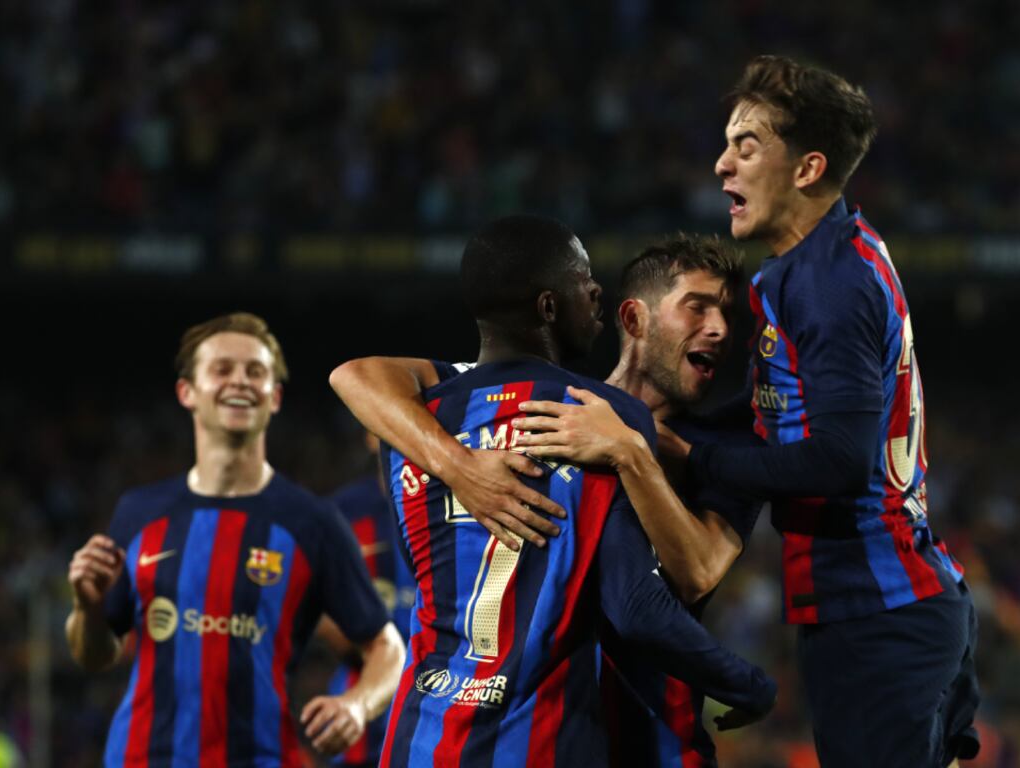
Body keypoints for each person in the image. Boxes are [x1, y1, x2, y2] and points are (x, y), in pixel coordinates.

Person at [329, 215, 776, 767]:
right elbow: (355, 374)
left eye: (729, 314)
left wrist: (634, 453)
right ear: (633, 318)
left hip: (457, 733)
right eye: (698, 307)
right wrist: (462, 467)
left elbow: (698, 572)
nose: (721, 329)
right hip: (553, 732)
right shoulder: (564, 413)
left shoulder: (726, 451)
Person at [669, 55, 979, 767]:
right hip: (898, 608)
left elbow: (840, 460)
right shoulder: (830, 259)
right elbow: (773, 413)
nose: (722, 165)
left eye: (746, 146)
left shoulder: (829, 283)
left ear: (808, 168)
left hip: (878, 618)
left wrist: (693, 458)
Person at [65, 312, 405, 767]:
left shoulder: (312, 522)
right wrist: (87, 608)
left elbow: (388, 648)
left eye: (255, 371)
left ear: (274, 396)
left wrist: (357, 705)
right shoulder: (139, 512)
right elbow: (94, 654)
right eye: (222, 369)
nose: (240, 381)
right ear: (187, 392)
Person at [319, 433, 419, 768]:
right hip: (362, 728)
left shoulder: (461, 503)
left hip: (438, 719)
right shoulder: (343, 514)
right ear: (369, 435)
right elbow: (318, 613)